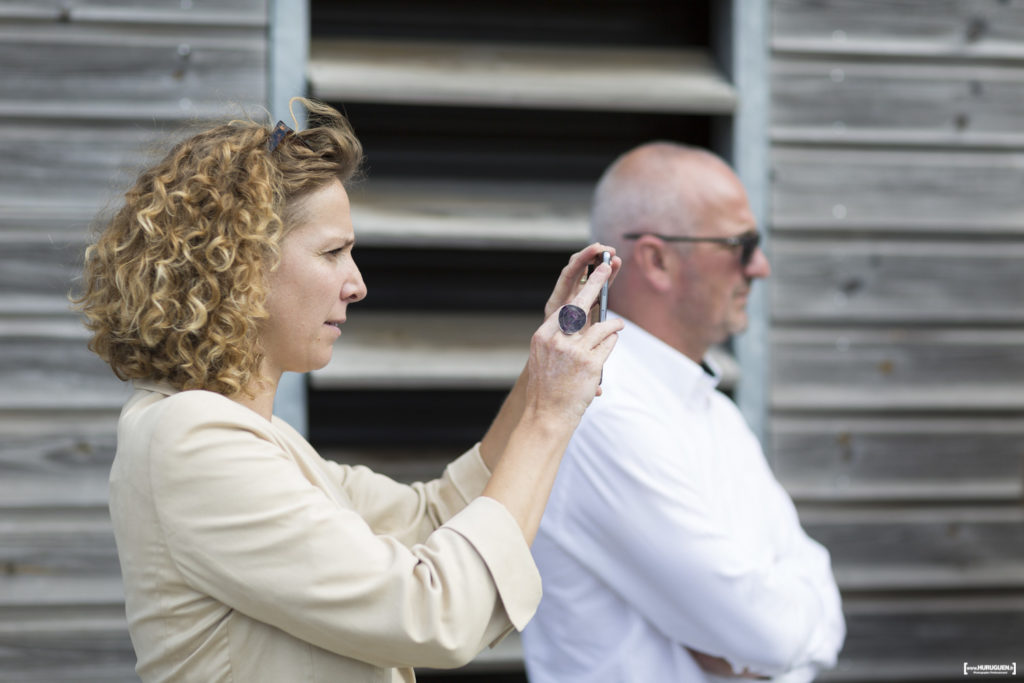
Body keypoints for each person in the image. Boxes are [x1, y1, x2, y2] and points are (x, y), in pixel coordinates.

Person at [73, 98, 624, 683]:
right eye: (332, 252)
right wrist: (548, 413)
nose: (357, 285)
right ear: (241, 267)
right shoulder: (192, 440)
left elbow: (433, 516)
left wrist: (542, 374)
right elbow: (435, 614)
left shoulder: (258, 440)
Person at [522, 142, 846, 682]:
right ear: (657, 260)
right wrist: (766, 639)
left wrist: (761, 647)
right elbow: (766, 634)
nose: (760, 267)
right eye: (741, 245)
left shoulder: (714, 411)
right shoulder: (601, 409)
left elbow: (812, 597)